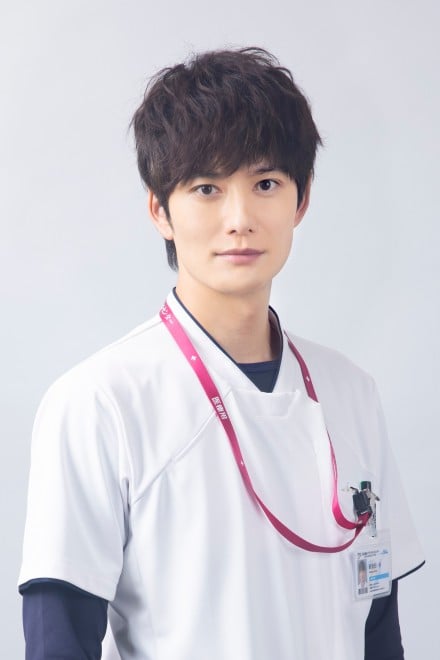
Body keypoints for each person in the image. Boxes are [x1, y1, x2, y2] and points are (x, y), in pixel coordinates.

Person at [19, 47, 424, 659]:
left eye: (265, 184)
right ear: (160, 210)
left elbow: (378, 624)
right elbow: (58, 642)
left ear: (301, 201)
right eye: (207, 188)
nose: (240, 218)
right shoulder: (99, 401)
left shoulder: (350, 392)